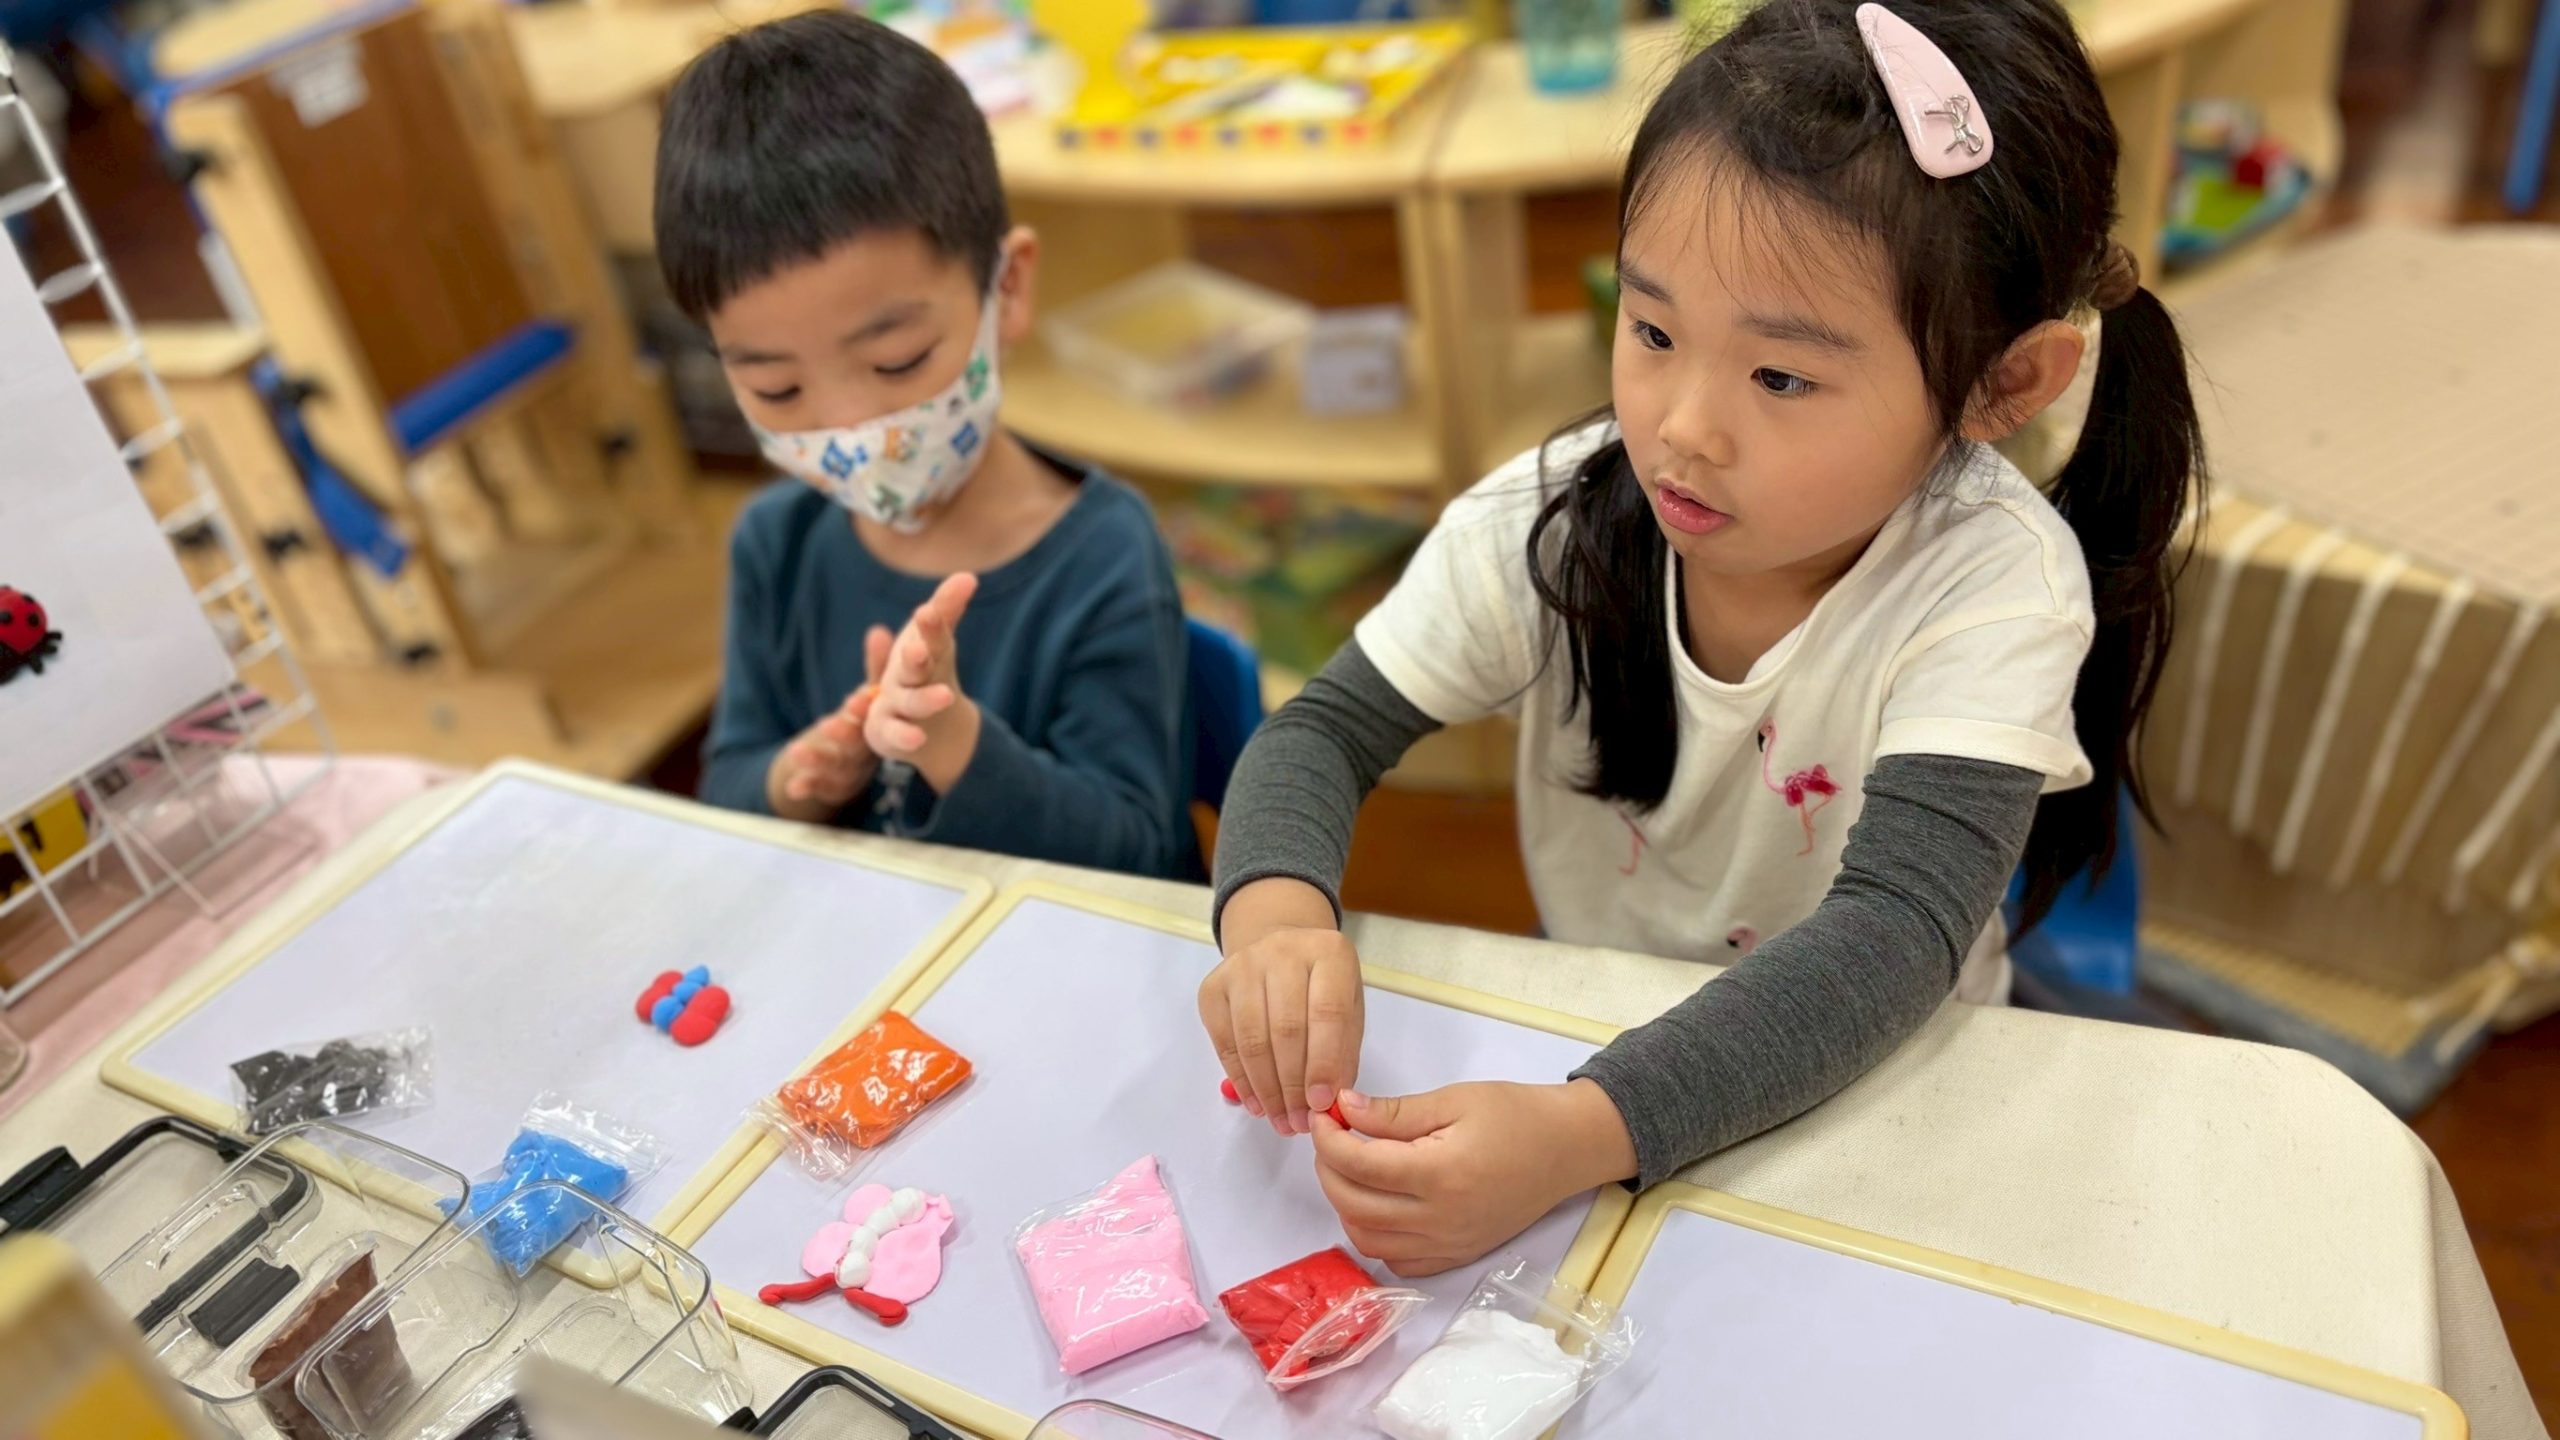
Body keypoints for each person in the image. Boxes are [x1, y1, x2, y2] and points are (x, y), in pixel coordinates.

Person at [1203, 0, 2202, 1274]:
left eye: (1780, 377)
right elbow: (1325, 730)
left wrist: (1579, 1133)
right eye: (1652, 330)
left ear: (2001, 385)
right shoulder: (1554, 521)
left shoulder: (1994, 589)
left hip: (1873, 1094)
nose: (1680, 429)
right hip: (1595, 1052)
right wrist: (1277, 923)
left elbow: (1892, 939)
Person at [656, 11, 1195, 878]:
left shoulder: (1103, 555)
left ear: (1006, 289)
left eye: (897, 361)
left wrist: (955, 742)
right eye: (777, 388)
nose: (849, 425)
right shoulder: (776, 545)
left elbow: (1139, 854)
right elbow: (729, 784)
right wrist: (796, 780)